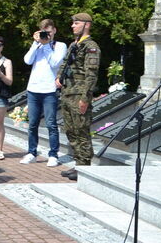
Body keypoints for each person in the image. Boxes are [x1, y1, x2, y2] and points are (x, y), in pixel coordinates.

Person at [58, 14, 101, 181]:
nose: (72, 26)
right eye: (73, 23)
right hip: (68, 93)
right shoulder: (74, 45)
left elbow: (91, 75)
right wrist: (59, 77)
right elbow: (65, 63)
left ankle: (84, 168)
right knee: (71, 131)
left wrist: (85, 98)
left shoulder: (91, 47)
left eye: (76, 23)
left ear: (87, 25)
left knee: (81, 131)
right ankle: (78, 164)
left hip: (79, 95)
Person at [21, 18, 67, 167]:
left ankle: (53, 154)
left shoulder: (60, 46)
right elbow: (27, 60)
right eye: (43, 32)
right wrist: (36, 43)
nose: (46, 35)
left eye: (48, 31)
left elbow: (55, 63)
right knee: (32, 124)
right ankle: (31, 152)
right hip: (33, 88)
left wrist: (46, 45)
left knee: (51, 124)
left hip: (49, 89)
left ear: (54, 31)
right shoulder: (38, 45)